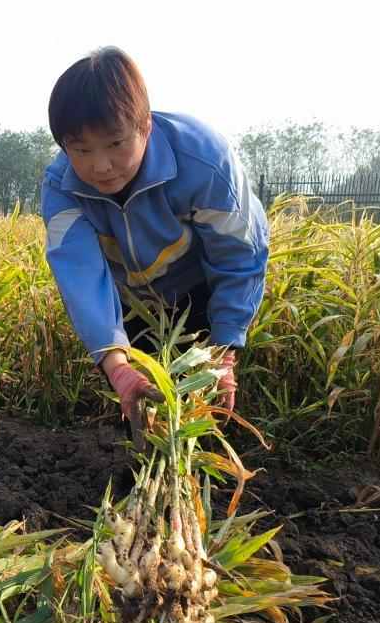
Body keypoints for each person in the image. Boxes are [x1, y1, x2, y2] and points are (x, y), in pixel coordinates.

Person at [41, 47, 269, 426]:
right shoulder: (61, 187)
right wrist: (117, 367)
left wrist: (225, 348)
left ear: (144, 126)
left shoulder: (203, 160)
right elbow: (79, 276)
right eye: (81, 149)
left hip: (199, 293)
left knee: (201, 407)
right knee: (142, 410)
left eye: (116, 144)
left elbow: (240, 253)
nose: (101, 166)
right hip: (129, 303)